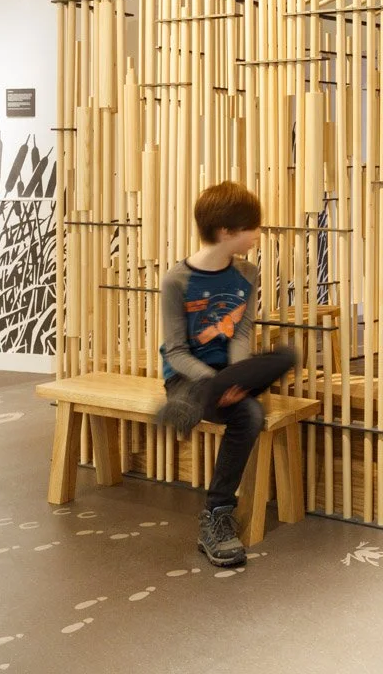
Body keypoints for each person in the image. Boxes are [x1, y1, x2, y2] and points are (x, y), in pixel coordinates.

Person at [156, 181, 298, 567]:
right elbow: (177, 352)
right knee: (227, 401)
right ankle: (187, 401)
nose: (258, 234)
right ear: (226, 232)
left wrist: (238, 379)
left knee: (282, 360)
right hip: (187, 376)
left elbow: (243, 331)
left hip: (228, 374)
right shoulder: (176, 281)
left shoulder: (247, 273)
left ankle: (215, 513)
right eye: (252, 227)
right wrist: (215, 383)